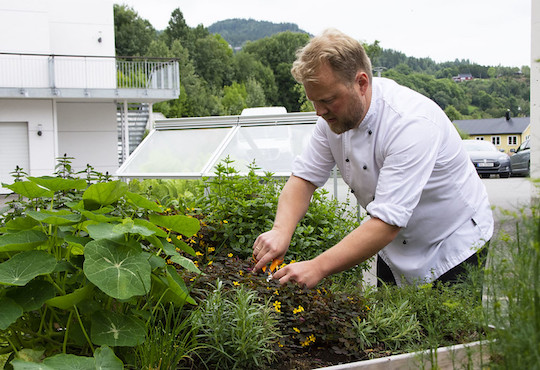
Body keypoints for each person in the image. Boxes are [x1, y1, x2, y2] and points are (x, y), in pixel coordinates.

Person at [252, 28, 493, 288]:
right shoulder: (330, 120)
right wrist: (280, 231)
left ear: (362, 83)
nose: (320, 111)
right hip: (393, 244)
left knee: (446, 327)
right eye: (314, 101)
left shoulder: (410, 123)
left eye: (328, 100)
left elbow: (388, 222)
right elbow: (303, 178)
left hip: (450, 243)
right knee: (389, 326)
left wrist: (317, 267)